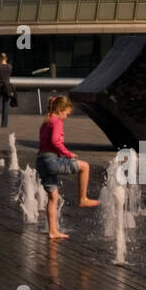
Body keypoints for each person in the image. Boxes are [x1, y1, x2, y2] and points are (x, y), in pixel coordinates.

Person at [35, 95, 98, 239]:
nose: (66, 117)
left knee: (53, 197)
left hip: (41, 161)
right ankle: (83, 198)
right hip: (51, 161)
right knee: (85, 167)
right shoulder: (56, 121)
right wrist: (68, 154)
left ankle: (52, 231)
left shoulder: (46, 121)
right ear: (60, 110)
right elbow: (55, 141)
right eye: (67, 114)